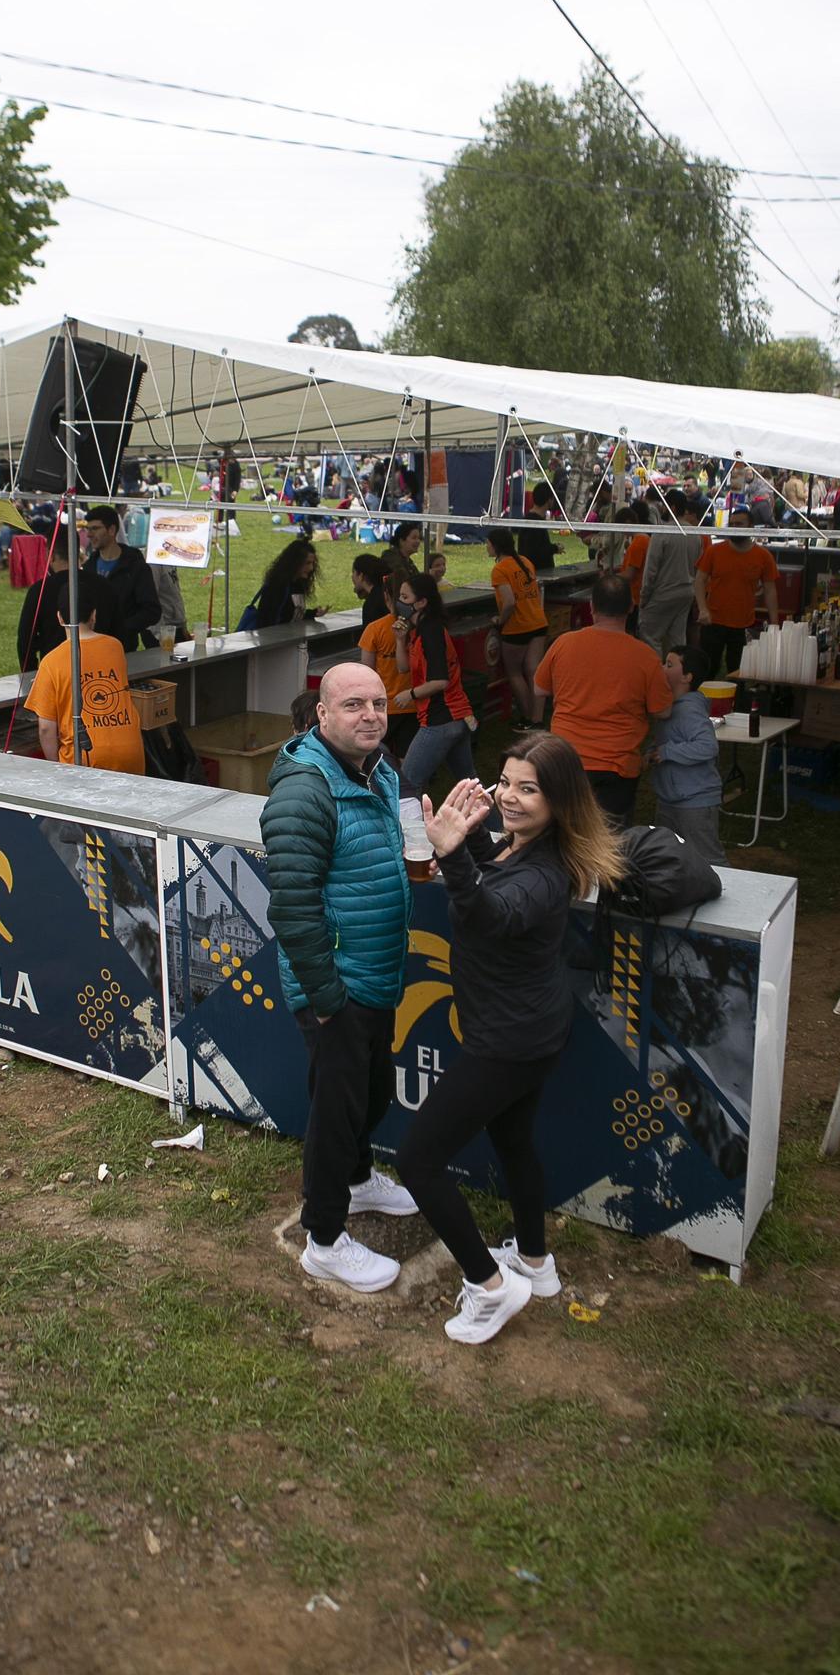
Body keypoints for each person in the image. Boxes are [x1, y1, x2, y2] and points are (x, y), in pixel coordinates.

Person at [397, 737, 624, 1345]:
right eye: (504, 782)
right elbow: (490, 874)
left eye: (529, 789)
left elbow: (489, 916)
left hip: (508, 1039)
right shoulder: (518, 844)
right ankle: (534, 1261)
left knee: (419, 1159)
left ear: (560, 801)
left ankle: (490, 1288)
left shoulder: (548, 872)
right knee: (513, 1139)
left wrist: (450, 853)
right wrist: (468, 831)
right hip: (530, 1027)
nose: (510, 797)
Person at [259, 663, 417, 1293]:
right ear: (321, 715)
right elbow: (291, 907)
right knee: (337, 1108)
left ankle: (357, 1180)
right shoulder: (304, 791)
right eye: (354, 705)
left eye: (378, 703)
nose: (371, 716)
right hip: (336, 984)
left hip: (374, 972)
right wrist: (326, 999)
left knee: (371, 1092)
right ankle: (324, 1236)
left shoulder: (378, 770)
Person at [533, 572, 672, 824]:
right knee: (610, 840)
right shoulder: (645, 656)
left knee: (564, 832)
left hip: (565, 758)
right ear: (631, 608)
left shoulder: (564, 643)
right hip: (617, 765)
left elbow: (539, 689)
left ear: (591, 606)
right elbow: (662, 710)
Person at [25, 576, 145, 772]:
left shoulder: (51, 661)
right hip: (131, 751)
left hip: (86, 758)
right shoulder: (115, 647)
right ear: (94, 615)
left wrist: (57, 766)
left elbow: (46, 728)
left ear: (60, 618)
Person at [393, 569, 478, 795]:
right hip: (455, 719)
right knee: (469, 785)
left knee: (407, 785)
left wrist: (409, 694)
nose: (399, 602)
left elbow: (439, 681)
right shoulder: (418, 631)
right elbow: (402, 668)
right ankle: (496, 827)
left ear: (421, 602)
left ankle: (413, 829)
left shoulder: (431, 631)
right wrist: (399, 641)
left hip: (441, 719)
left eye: (404, 597)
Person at [650, 647, 726, 864]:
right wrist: (652, 753)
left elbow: (707, 746)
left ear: (686, 677)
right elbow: (668, 741)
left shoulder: (689, 710)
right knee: (666, 855)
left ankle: (727, 890)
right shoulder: (669, 708)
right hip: (669, 798)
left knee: (708, 858)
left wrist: (667, 752)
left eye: (669, 665)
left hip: (695, 800)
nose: (662, 668)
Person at [694, 509, 779, 677]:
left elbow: (770, 590)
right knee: (707, 669)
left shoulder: (763, 556)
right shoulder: (714, 551)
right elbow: (699, 580)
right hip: (713, 621)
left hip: (743, 624)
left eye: (739, 524)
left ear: (751, 527)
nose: (734, 527)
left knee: (739, 672)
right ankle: (702, 700)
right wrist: (702, 609)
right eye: (731, 524)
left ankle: (737, 702)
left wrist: (774, 623)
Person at [81, 504, 162, 652]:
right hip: (90, 648)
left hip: (123, 649)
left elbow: (152, 610)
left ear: (111, 530)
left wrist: (122, 628)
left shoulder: (135, 566)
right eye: (88, 529)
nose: (89, 534)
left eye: (95, 529)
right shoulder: (89, 568)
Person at [487, 527, 547, 726]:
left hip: (517, 627)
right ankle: (538, 720)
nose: (486, 547)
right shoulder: (525, 561)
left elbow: (509, 602)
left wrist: (500, 620)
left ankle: (527, 717)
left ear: (495, 546)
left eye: (488, 543)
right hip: (538, 622)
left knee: (514, 673)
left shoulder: (500, 570)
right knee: (533, 671)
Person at [637, 490, 707, 658]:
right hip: (686, 592)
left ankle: (656, 676)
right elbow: (698, 566)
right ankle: (676, 673)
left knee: (650, 637)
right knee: (676, 639)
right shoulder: (695, 534)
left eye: (664, 506)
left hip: (663, 591)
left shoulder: (662, 532)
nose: (661, 509)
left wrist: (644, 597)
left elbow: (651, 570)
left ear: (673, 508)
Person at [359, 578, 418, 760]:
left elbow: (366, 672)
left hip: (383, 706)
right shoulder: (418, 627)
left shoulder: (374, 629)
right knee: (407, 760)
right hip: (414, 703)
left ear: (386, 597)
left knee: (376, 758)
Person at [16, 532, 71, 669]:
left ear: (50, 556)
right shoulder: (101, 584)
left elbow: (25, 640)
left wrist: (31, 674)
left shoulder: (40, 590)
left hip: (54, 671)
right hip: (98, 671)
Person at [248, 537, 321, 628]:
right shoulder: (277, 586)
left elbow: (291, 615)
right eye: (307, 563)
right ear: (295, 562)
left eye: (312, 563)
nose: (311, 568)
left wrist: (312, 613)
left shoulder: (298, 583)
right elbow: (269, 622)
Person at [518, 482, 559, 571]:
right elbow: (534, 552)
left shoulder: (533, 520)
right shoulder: (533, 523)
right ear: (549, 500)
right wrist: (554, 548)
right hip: (537, 574)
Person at [352, 553, 388, 635]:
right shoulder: (386, 592)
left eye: (353, 572)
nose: (352, 577)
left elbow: (370, 640)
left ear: (361, 575)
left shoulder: (371, 604)